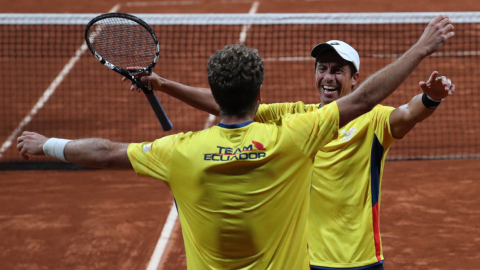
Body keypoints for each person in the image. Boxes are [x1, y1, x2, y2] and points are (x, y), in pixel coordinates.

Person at [18, 15, 453, 270]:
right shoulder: (297, 124)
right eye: (322, 67)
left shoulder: (186, 149)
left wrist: (429, 98)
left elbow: (396, 110)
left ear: (352, 77)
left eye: (338, 70)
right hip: (308, 259)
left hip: (359, 260)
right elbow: (232, 102)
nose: (328, 76)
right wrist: (165, 85)